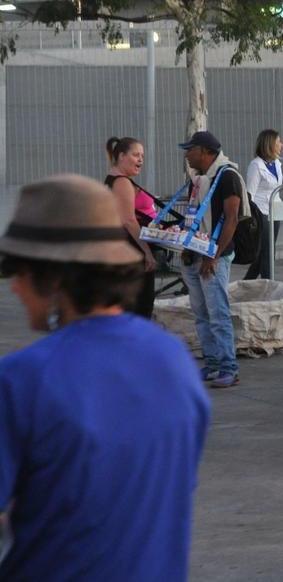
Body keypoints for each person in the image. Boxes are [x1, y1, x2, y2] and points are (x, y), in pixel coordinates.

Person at [0, 174, 210, 580]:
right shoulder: (175, 361)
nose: (14, 287)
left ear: (55, 275)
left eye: (20, 271)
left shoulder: (23, 380)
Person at [179, 130, 245, 389]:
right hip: (195, 252)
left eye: (190, 149)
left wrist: (214, 255)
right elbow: (193, 214)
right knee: (201, 314)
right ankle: (213, 363)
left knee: (217, 313)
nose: (186, 154)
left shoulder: (227, 176)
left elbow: (232, 219)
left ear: (205, 152)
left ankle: (229, 367)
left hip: (213, 256)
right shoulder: (200, 179)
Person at [103, 135, 158, 317]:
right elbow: (128, 220)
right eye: (136, 155)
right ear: (121, 157)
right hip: (132, 249)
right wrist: (147, 252)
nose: (141, 159)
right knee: (139, 306)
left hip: (123, 248)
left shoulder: (114, 179)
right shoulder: (122, 182)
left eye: (142, 155)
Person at [244, 129, 283, 280]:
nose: (281, 145)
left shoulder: (277, 164)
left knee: (266, 250)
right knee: (267, 252)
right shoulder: (256, 165)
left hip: (275, 210)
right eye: (278, 142)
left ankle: (247, 283)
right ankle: (269, 282)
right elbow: (250, 193)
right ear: (270, 144)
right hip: (261, 212)